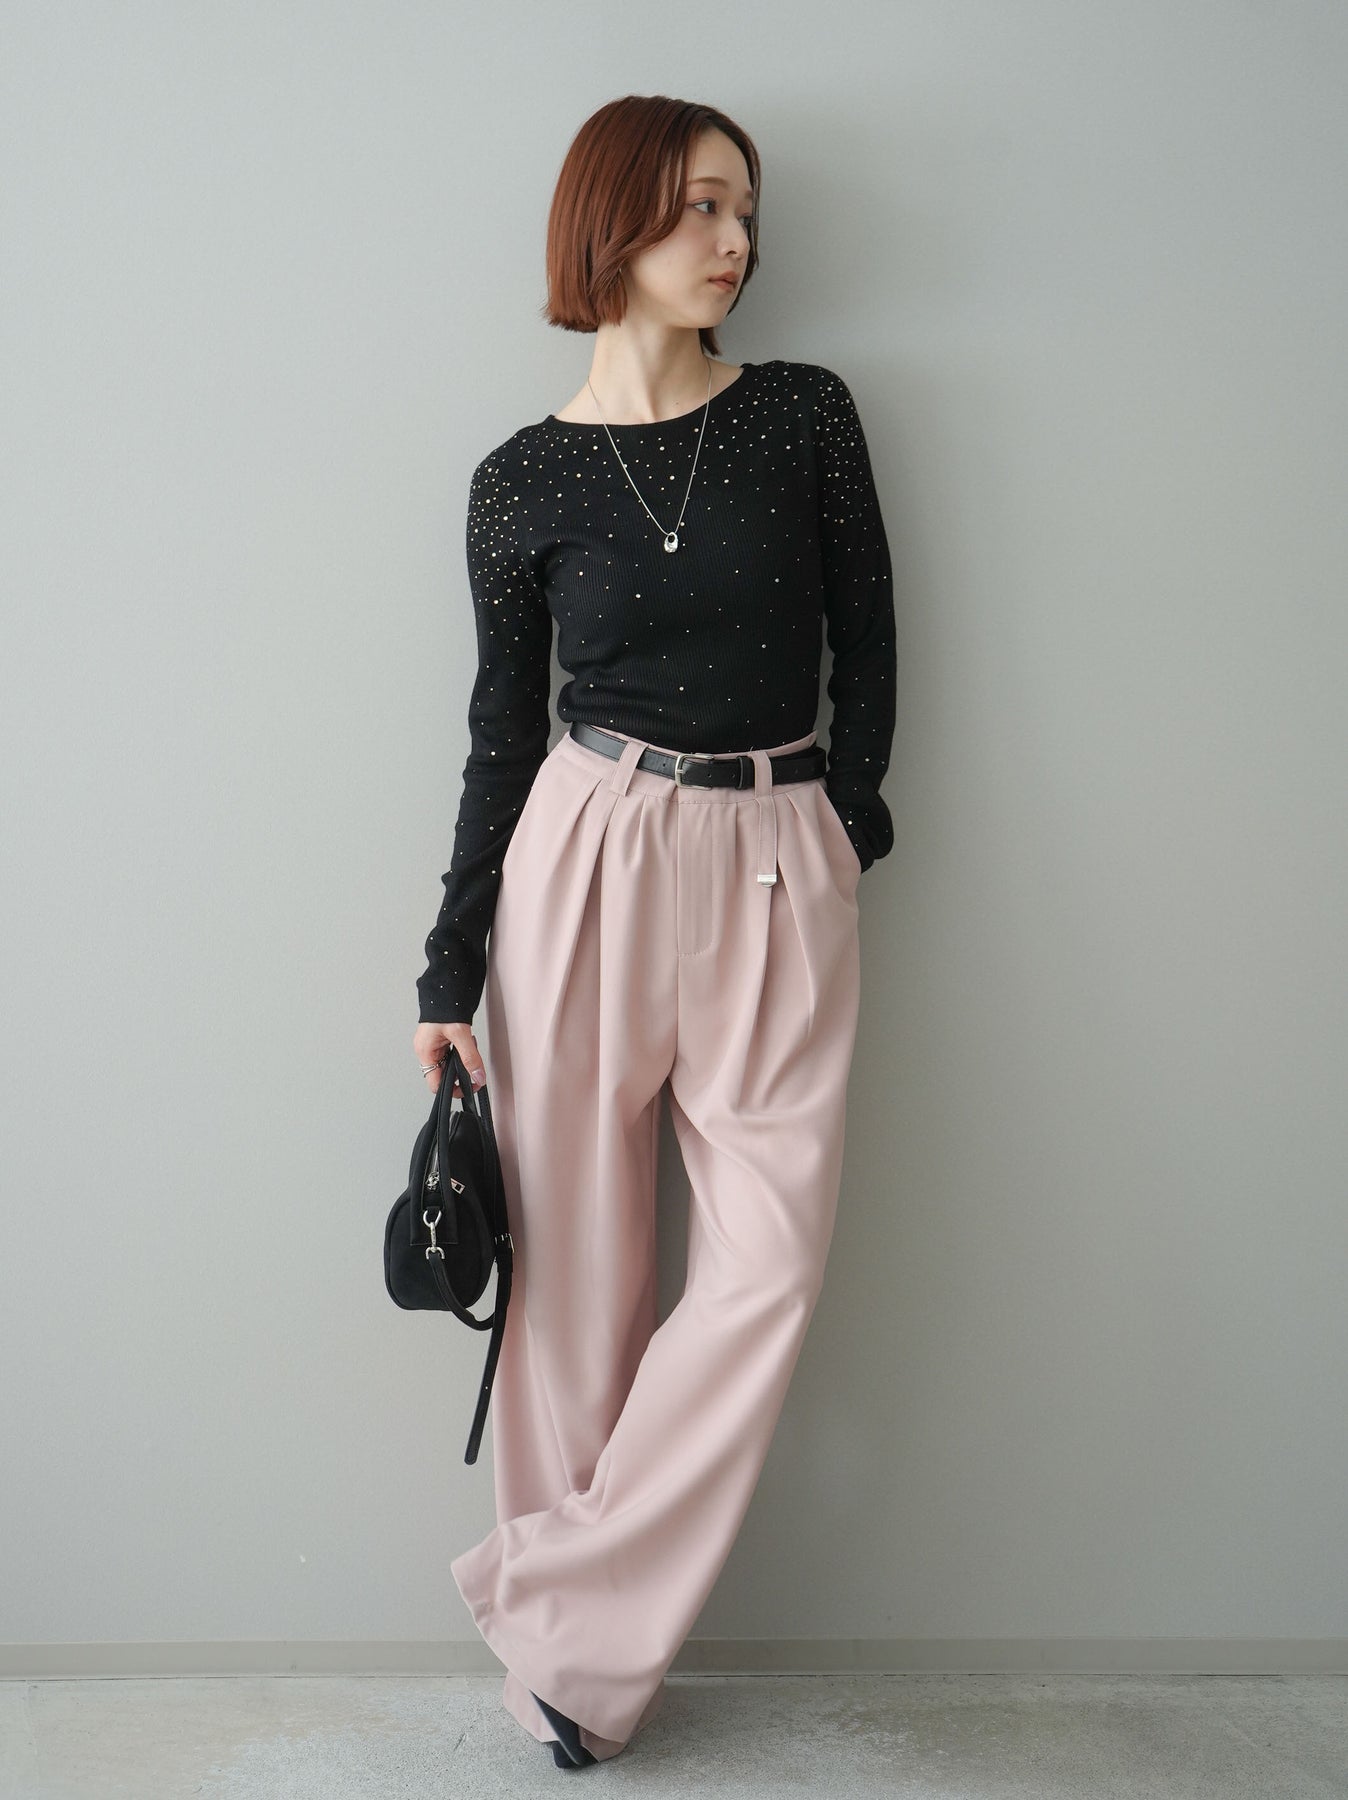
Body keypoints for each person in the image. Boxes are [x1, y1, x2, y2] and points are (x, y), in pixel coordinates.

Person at [410, 92, 896, 1769]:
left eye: (743, 209)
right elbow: (498, 734)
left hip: (777, 851)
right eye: (699, 206)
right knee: (578, 1287)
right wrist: (448, 964)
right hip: (586, 853)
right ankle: (575, 1681)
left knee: (768, 1266)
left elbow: (870, 640)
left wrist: (848, 822)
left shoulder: (805, 414)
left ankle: (556, 1606)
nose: (735, 240)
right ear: (610, 222)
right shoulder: (519, 481)